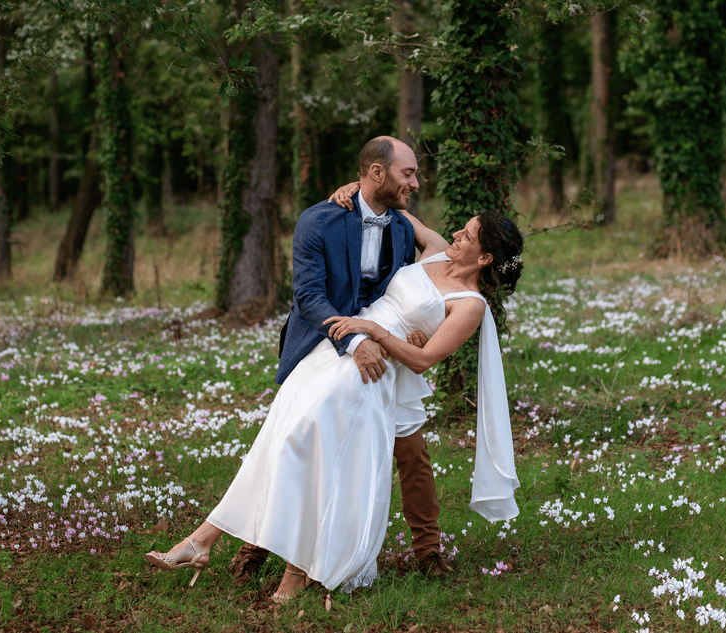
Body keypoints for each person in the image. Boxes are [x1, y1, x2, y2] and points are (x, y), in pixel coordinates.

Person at [145, 205, 524, 600]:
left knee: (345, 451)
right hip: (341, 346)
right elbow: (385, 202)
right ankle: (213, 542)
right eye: (462, 229)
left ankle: (301, 563)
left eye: (468, 235)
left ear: (484, 258)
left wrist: (375, 331)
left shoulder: (470, 304)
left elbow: (425, 359)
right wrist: (345, 193)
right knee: (283, 438)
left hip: (372, 367)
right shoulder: (437, 249)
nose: (457, 235)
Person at [232, 137, 453, 582]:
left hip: (385, 350)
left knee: (412, 451)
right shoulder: (320, 219)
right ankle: (256, 545)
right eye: (408, 173)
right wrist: (353, 341)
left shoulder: (402, 228)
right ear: (377, 172)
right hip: (328, 344)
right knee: (296, 439)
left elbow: (404, 287)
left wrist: (405, 334)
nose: (416, 182)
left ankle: (428, 551)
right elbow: (310, 297)